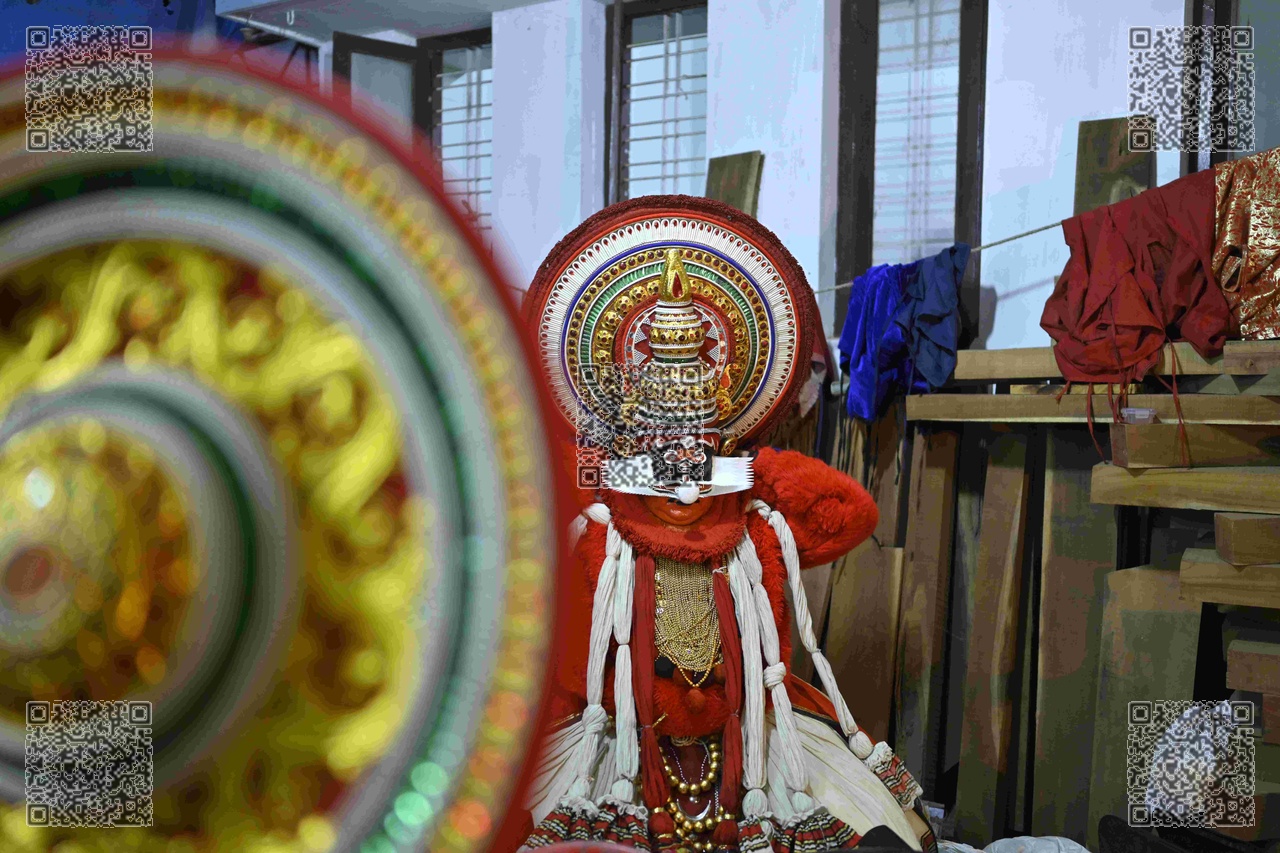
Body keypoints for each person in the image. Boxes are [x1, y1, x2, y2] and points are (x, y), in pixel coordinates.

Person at [518, 196, 937, 853]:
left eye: (696, 445)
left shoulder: (754, 524)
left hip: (756, 754)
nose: (679, 469)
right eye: (660, 443)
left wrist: (753, 471)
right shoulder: (601, 532)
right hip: (620, 756)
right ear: (632, 442)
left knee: (890, 837)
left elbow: (852, 515)